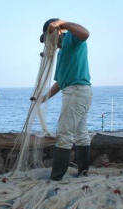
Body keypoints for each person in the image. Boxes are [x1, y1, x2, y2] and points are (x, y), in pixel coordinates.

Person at [36, 18, 93, 180]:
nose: (48, 42)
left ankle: (56, 177)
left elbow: (86, 33)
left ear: (57, 32)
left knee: (64, 133)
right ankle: (83, 172)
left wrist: (63, 23)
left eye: (49, 37)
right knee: (81, 133)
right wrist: (42, 98)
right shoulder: (61, 54)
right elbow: (60, 82)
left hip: (76, 92)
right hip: (78, 92)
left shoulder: (72, 39)